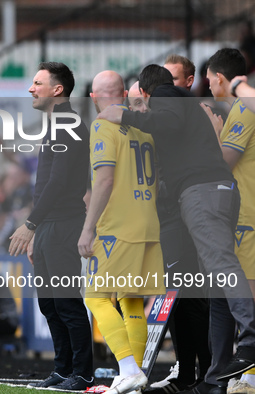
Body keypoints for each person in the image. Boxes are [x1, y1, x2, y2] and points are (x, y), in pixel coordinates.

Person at [98, 64, 255, 394]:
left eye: (138, 99)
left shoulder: (167, 96)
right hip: (211, 192)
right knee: (215, 286)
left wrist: (124, 117)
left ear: (144, 91)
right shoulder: (186, 105)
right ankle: (215, 380)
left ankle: (252, 340)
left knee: (222, 268)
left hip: (202, 193)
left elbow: (166, 122)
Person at [8, 62, 94, 390]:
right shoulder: (57, 122)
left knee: (66, 301)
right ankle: (63, 368)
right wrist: (36, 231)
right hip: (48, 227)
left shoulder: (68, 122)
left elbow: (58, 182)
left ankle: (83, 372)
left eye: (37, 83)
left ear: (57, 90)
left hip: (64, 224)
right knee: (49, 303)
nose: (31, 88)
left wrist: (30, 225)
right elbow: (46, 185)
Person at [79, 71, 165, 394]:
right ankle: (136, 375)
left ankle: (128, 368)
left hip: (117, 228)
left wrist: (88, 229)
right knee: (131, 301)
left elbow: (104, 180)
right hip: (148, 223)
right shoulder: (145, 127)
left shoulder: (103, 125)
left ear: (93, 97)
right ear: (125, 92)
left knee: (96, 297)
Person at [143, 55, 211, 394]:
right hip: (172, 210)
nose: (166, 87)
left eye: (172, 79)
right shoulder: (174, 107)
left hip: (188, 209)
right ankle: (189, 370)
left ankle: (209, 371)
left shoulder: (186, 107)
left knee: (194, 295)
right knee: (180, 295)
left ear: (187, 82)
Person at [207, 48, 255, 394]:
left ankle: (250, 375)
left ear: (221, 78)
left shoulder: (242, 109)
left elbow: (224, 162)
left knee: (248, 296)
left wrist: (212, 133)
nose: (208, 86)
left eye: (209, 79)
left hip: (247, 216)